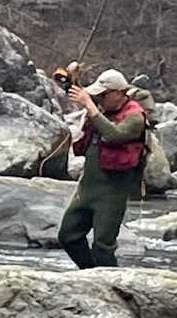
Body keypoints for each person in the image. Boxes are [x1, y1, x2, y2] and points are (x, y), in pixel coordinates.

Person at [57, 68, 147, 269]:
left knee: (103, 247)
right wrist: (72, 80)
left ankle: (110, 286)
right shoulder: (103, 109)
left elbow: (115, 134)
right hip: (87, 188)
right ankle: (90, 274)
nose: (98, 99)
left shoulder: (135, 117)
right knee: (68, 236)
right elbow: (83, 96)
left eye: (102, 95)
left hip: (112, 192)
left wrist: (90, 106)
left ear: (118, 93)